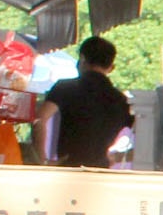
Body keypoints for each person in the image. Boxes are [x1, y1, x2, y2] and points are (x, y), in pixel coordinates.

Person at [33, 37, 132, 168]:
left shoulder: (65, 87)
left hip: (68, 166)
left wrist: (42, 159)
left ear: (82, 59)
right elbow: (146, 139)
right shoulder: (120, 99)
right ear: (111, 67)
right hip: (101, 169)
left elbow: (39, 119)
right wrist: (118, 156)